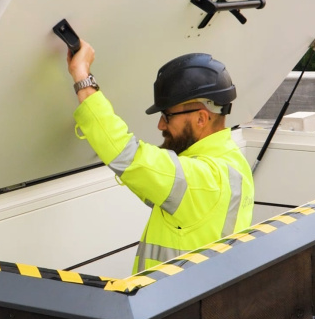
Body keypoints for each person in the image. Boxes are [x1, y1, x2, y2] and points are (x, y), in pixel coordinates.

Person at [68, 41, 254, 274]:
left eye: (167, 116)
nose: (160, 125)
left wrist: (82, 76)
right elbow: (146, 177)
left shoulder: (203, 180)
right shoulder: (232, 161)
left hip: (173, 296)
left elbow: (129, 156)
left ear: (201, 118)